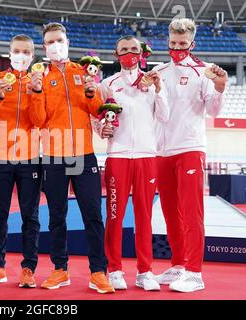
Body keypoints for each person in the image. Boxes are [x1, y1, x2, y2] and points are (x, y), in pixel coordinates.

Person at [29, 22, 114, 294]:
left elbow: (97, 110)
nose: (56, 45)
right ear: (44, 47)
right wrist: (38, 92)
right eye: (51, 42)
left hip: (82, 154)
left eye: (60, 40)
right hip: (54, 154)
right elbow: (38, 119)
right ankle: (59, 269)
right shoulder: (40, 76)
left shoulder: (83, 72)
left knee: (92, 214)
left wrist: (92, 90)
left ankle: (99, 272)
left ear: (67, 41)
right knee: (56, 215)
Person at [153, 18, 227, 292]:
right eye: (172, 43)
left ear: (192, 44)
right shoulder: (159, 71)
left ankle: (195, 272)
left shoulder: (205, 71)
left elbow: (214, 112)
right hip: (162, 150)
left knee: (191, 212)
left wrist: (220, 86)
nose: (176, 48)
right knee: (170, 213)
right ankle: (178, 265)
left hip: (190, 148)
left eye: (182, 44)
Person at [92, 35, 169, 291]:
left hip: (147, 155)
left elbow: (164, 116)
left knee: (145, 216)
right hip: (118, 156)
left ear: (142, 53)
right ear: (116, 55)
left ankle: (145, 271)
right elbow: (97, 116)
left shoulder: (154, 81)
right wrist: (101, 128)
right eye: (123, 50)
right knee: (115, 216)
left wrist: (158, 90)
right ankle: (114, 269)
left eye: (133, 49)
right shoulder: (108, 84)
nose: (129, 53)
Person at [0, 34, 41, 288]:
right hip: (1, 158)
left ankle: (29, 268)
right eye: (17, 51)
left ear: (33, 55)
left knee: (31, 216)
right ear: (9, 52)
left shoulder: (39, 81)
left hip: (30, 158)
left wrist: (36, 92)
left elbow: (39, 120)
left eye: (26, 52)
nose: (22, 56)